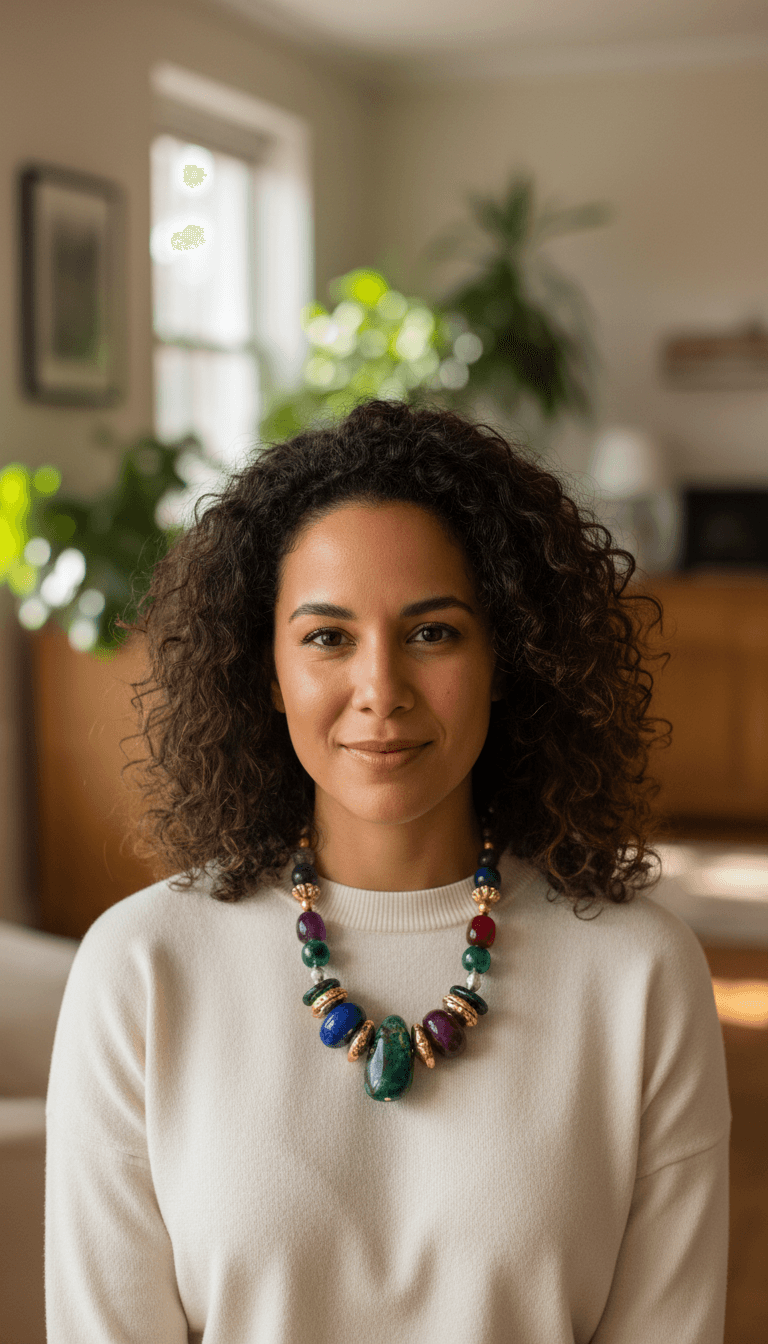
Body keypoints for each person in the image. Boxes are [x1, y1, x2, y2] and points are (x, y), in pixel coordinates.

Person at [45, 398, 731, 1343]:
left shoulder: (642, 973)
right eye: (327, 637)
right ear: (267, 669)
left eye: (432, 632)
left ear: (508, 657)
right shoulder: (139, 968)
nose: (381, 690)